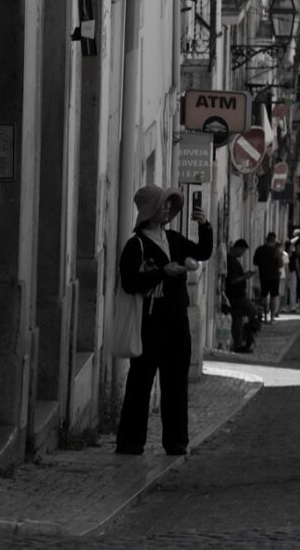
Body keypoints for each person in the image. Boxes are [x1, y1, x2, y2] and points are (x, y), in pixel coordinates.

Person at [116, 185, 213, 456]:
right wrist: (161, 272)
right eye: (163, 205)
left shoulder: (173, 239)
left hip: (177, 323)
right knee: (140, 382)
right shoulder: (135, 245)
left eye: (170, 205)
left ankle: (176, 441)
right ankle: (130, 442)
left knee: (176, 384)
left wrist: (204, 224)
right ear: (150, 209)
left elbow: (203, 252)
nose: (168, 208)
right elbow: (130, 282)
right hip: (150, 324)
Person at [225, 239, 260, 353]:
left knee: (238, 320)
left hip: (238, 294)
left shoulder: (233, 260)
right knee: (253, 311)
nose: (242, 254)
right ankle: (247, 336)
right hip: (236, 295)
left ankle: (238, 344)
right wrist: (246, 276)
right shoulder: (231, 261)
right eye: (243, 251)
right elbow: (232, 281)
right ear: (238, 248)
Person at [253, 232, 283, 323]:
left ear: (266, 239)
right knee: (274, 296)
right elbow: (281, 264)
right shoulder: (275, 251)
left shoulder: (259, 249)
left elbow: (255, 262)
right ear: (274, 240)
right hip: (274, 277)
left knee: (263, 295)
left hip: (263, 276)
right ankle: (272, 317)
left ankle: (262, 315)